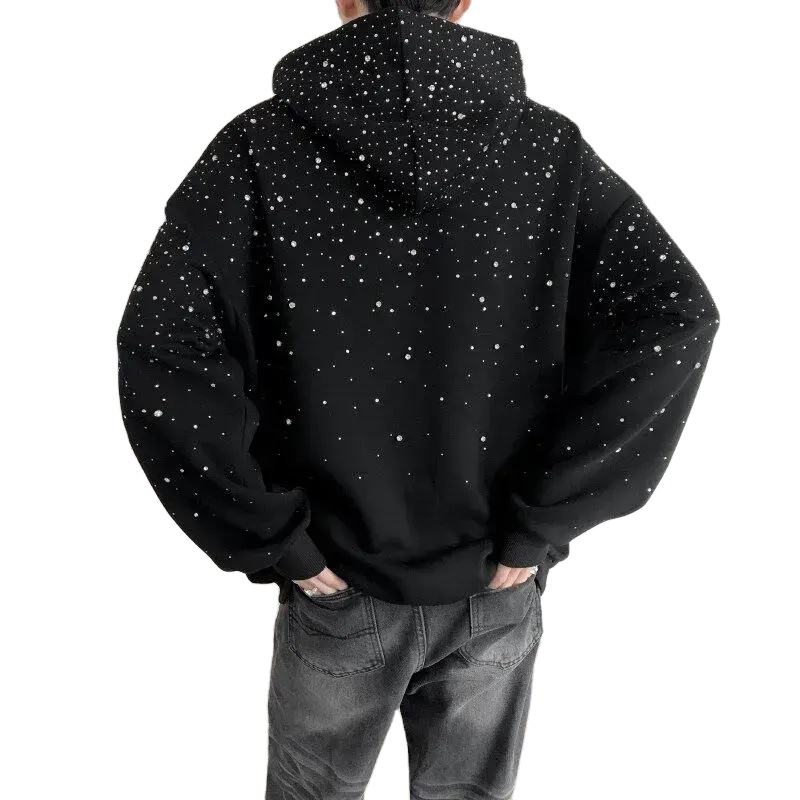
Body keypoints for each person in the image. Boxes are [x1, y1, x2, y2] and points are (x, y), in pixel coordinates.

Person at [117, 0, 719, 796]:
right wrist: (544, 519)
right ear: (464, 2)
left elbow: (163, 346)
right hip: (496, 579)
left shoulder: (257, 149)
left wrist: (270, 535)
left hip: (337, 580)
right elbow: (675, 316)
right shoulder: (547, 149)